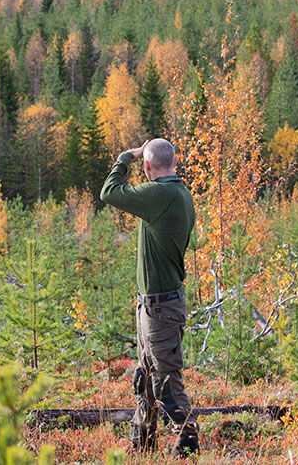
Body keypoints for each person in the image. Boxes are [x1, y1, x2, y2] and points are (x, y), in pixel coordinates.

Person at [99, 137, 199, 456]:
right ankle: (144, 445)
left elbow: (109, 192)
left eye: (143, 162)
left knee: (165, 383)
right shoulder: (181, 194)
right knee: (145, 378)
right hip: (154, 305)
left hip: (161, 308)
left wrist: (124, 157)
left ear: (146, 166)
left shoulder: (160, 194)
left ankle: (189, 445)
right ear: (173, 162)